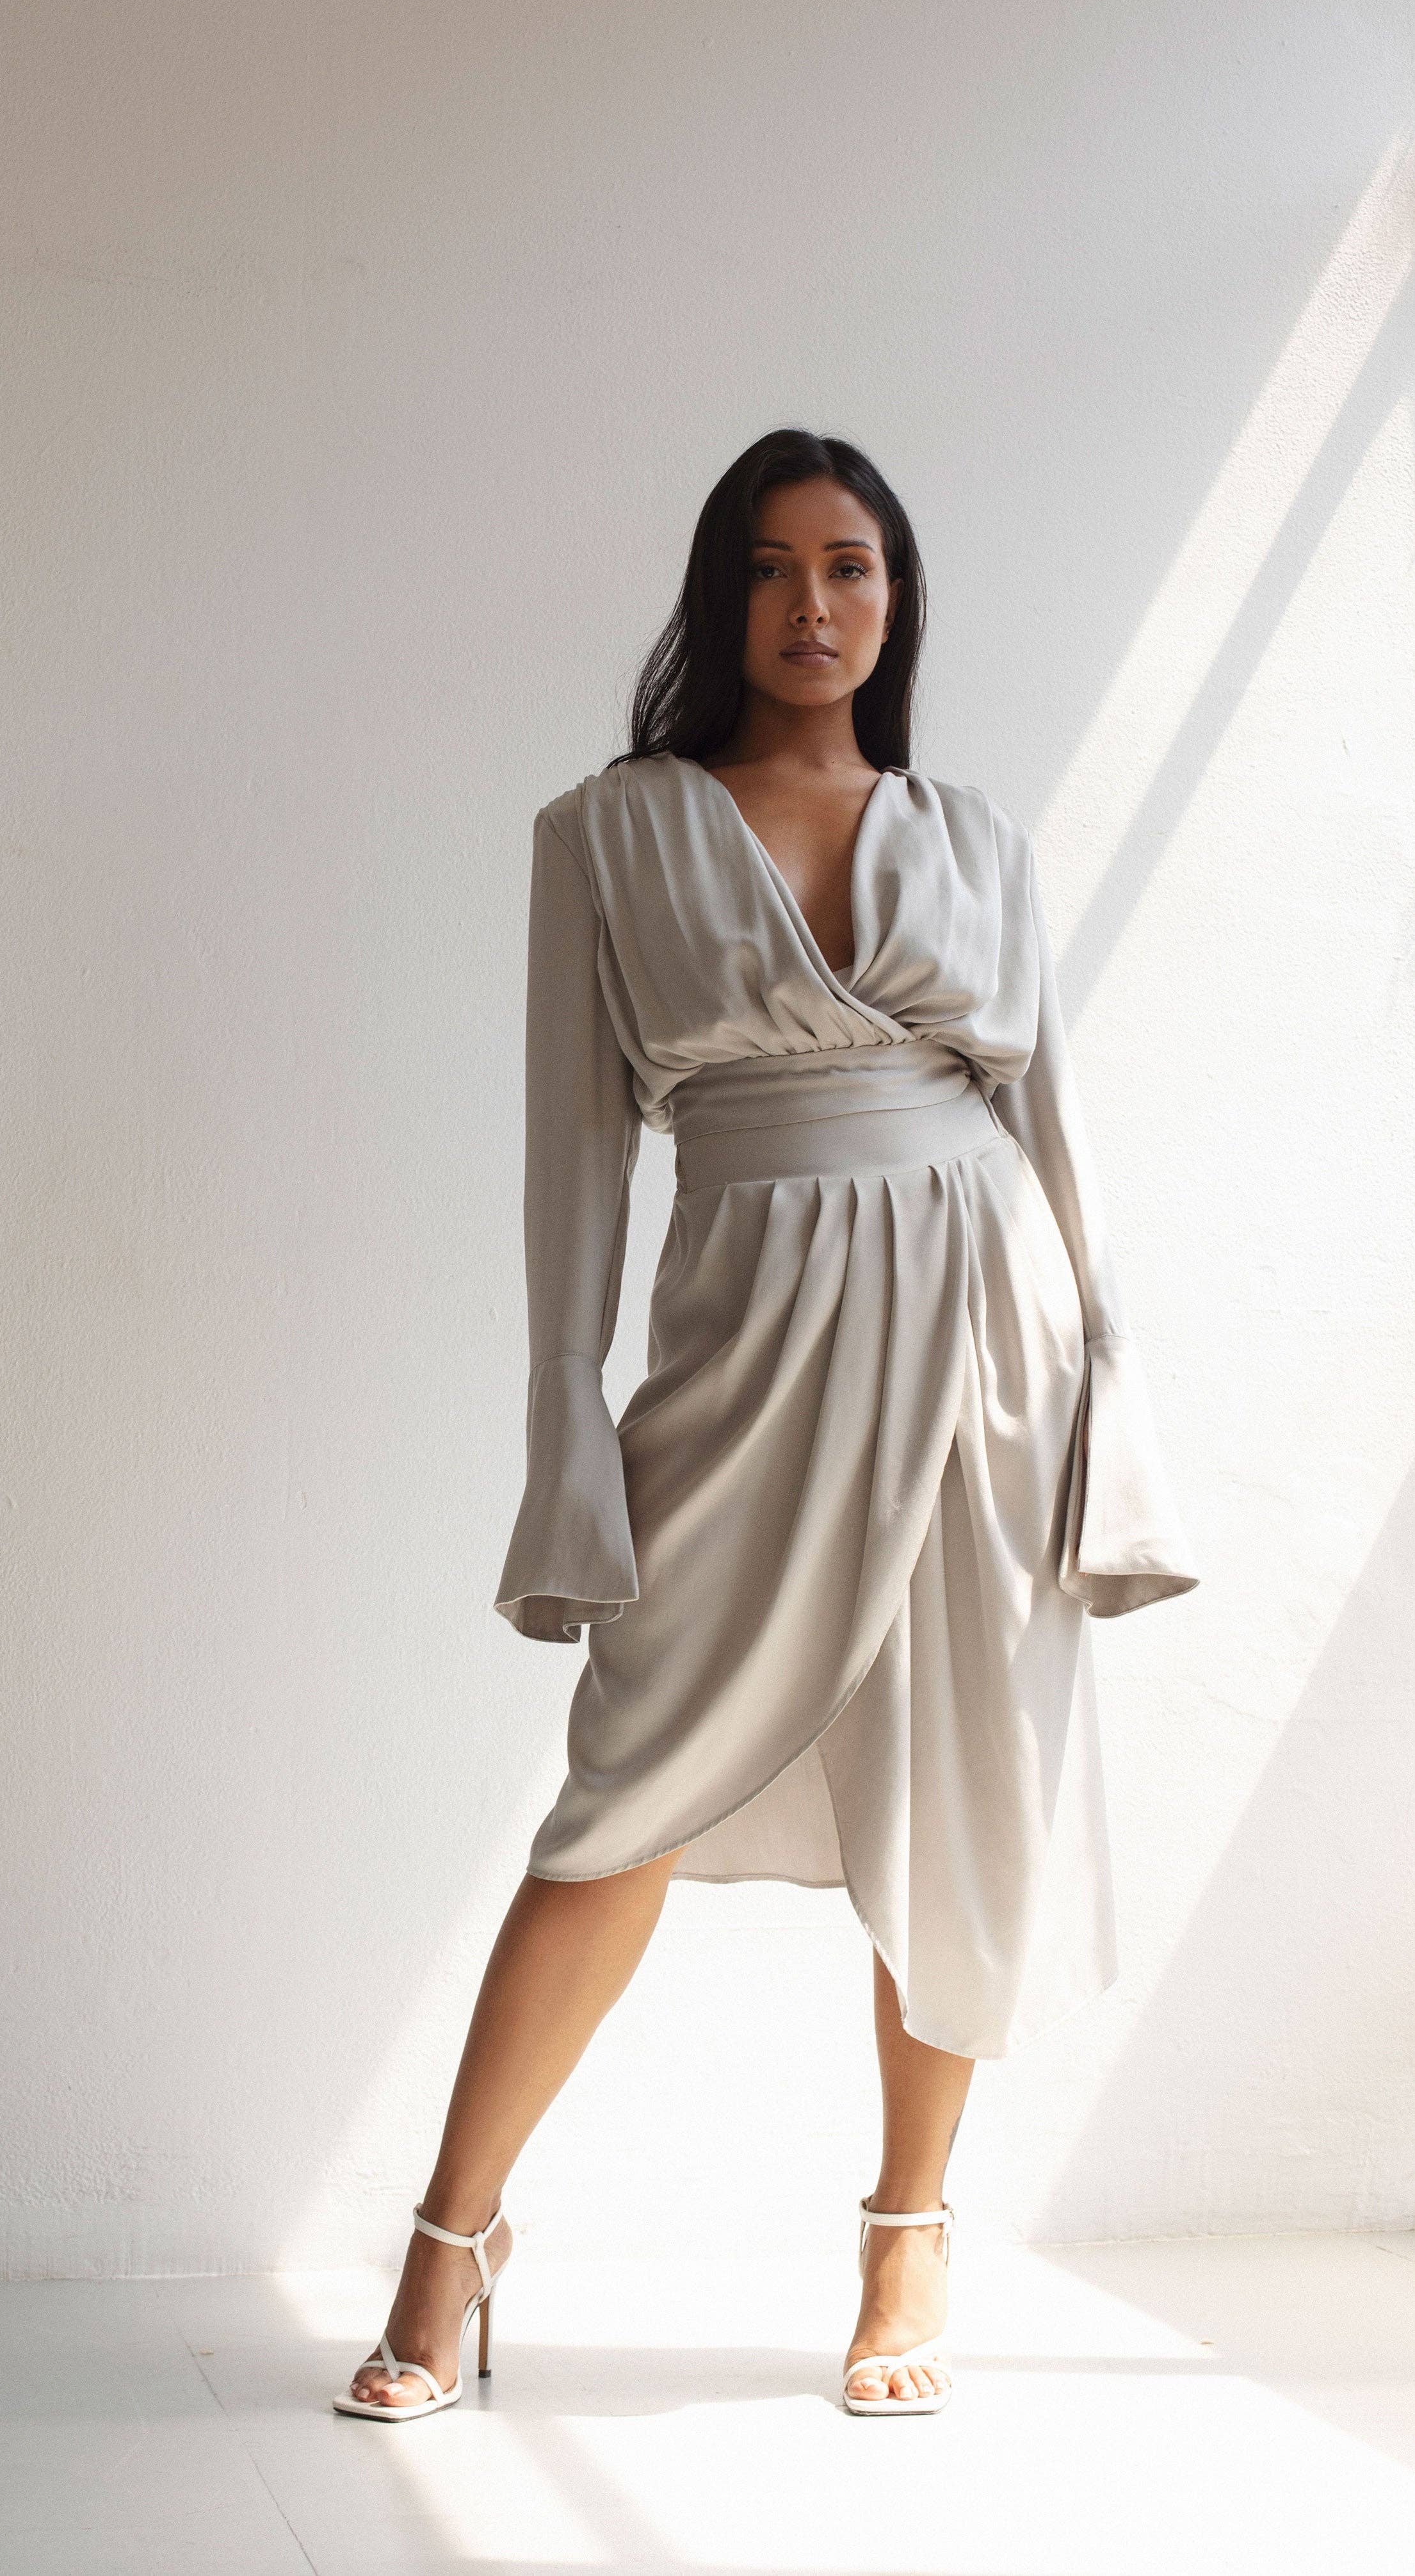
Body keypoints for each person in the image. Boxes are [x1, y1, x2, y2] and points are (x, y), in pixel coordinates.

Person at [334, 427, 1198, 2424]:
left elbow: (1045, 1115)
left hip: (984, 1326)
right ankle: (452, 2236)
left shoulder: (973, 837)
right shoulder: (610, 831)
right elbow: (574, 1147)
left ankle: (908, 2232)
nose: (813, 604)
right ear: (718, 594)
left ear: (895, 601)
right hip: (746, 1331)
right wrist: (566, 1419)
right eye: (770, 566)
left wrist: (1108, 1394)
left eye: (851, 567)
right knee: (620, 1786)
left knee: (957, 1772)